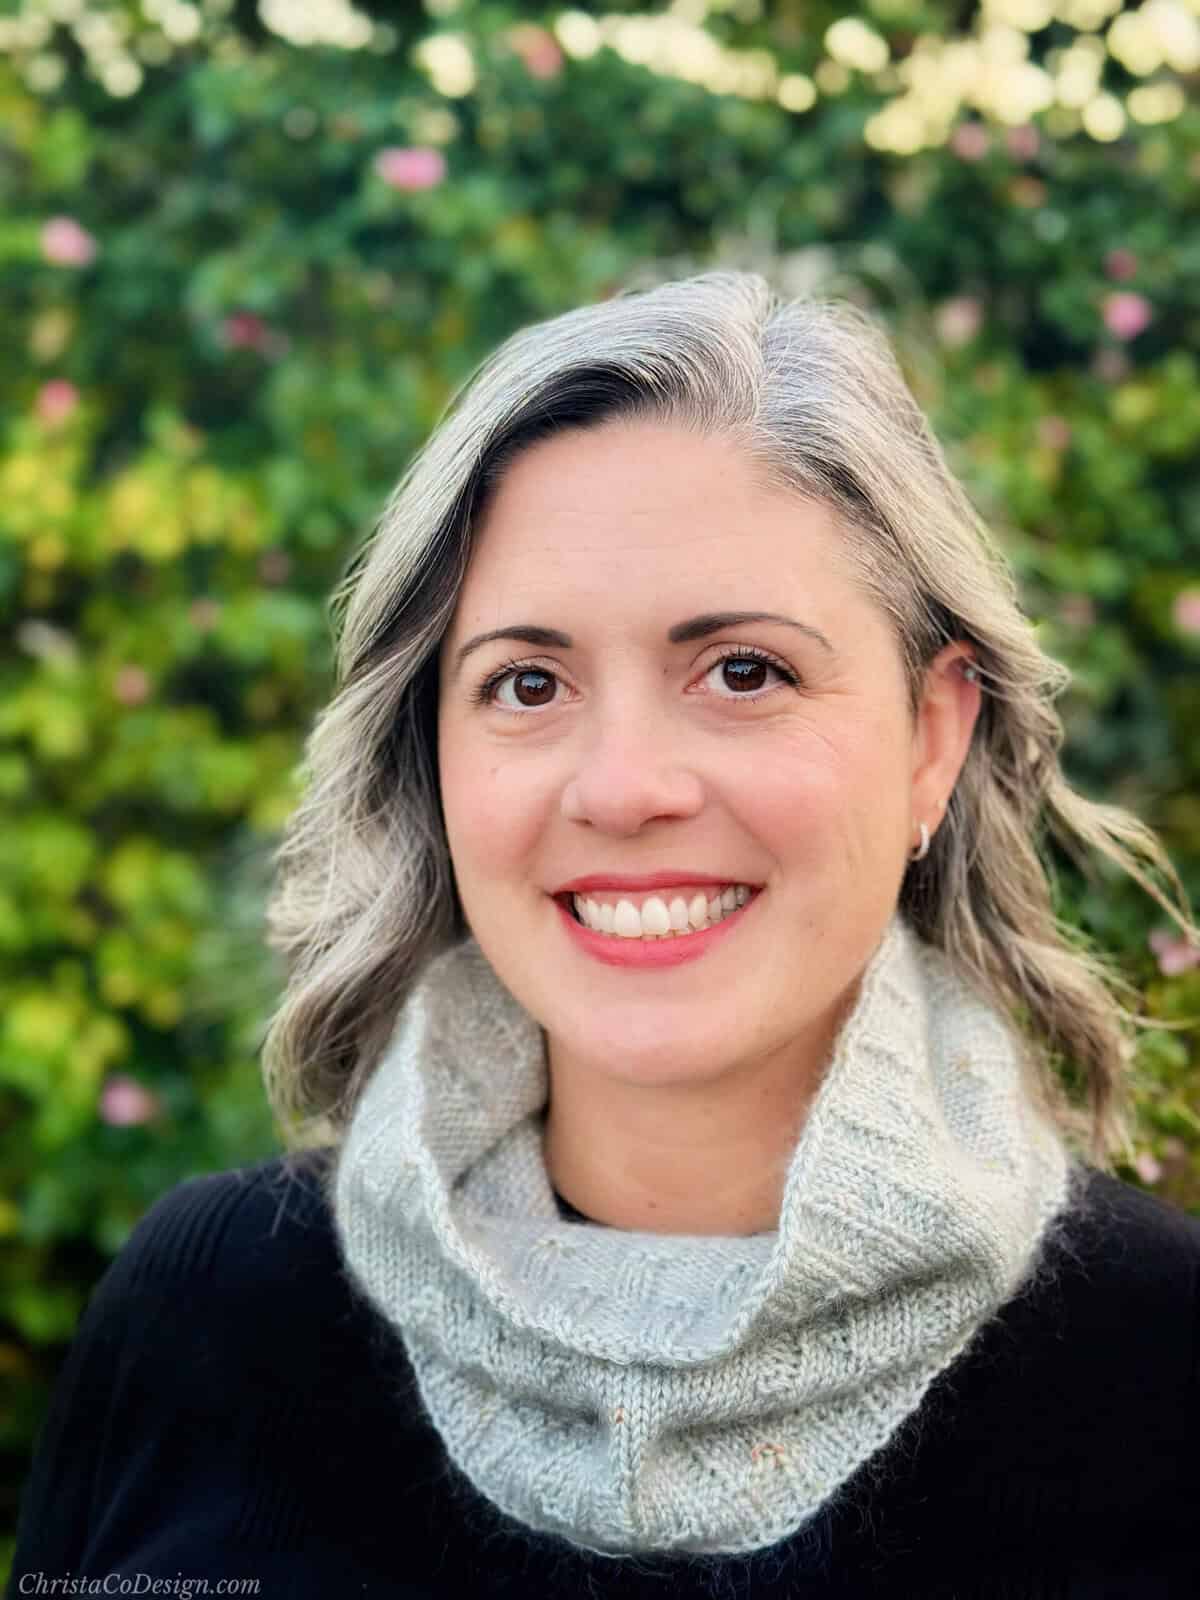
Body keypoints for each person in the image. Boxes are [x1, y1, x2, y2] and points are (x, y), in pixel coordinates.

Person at [9, 272, 1200, 1597]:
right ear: (437, 758)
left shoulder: (1162, 1358)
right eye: (528, 683)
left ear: (932, 739)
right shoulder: (214, 1310)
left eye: (745, 672)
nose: (623, 786)